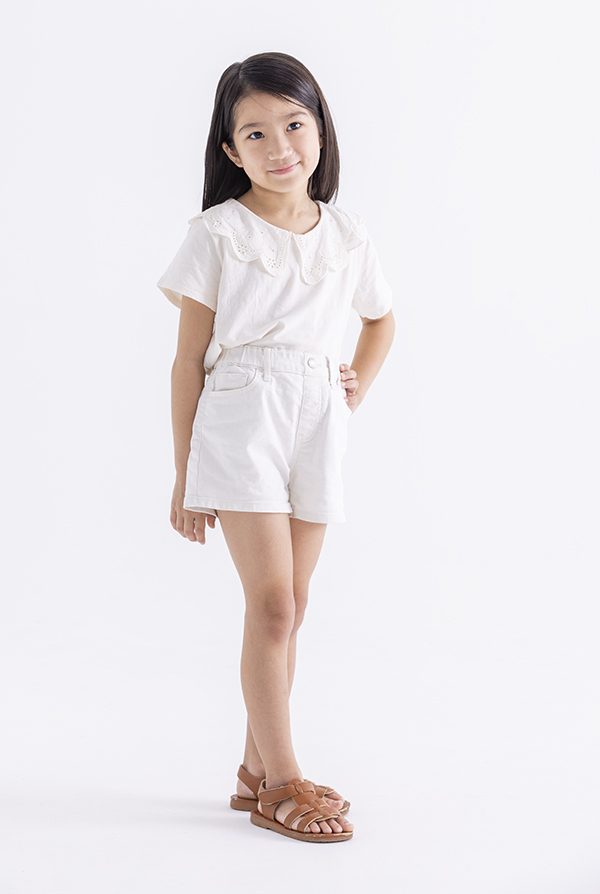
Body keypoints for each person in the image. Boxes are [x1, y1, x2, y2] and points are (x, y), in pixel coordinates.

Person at [157, 52, 395, 843]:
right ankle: (284, 781)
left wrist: (354, 384)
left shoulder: (348, 234)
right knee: (272, 604)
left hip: (318, 419)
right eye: (255, 133)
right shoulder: (218, 234)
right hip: (242, 416)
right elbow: (187, 361)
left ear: (320, 129)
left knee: (294, 606)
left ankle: (254, 771)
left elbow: (381, 319)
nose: (279, 145)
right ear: (230, 150)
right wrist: (185, 473)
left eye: (293, 124)